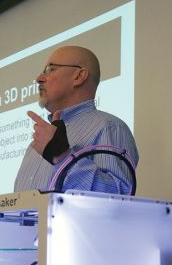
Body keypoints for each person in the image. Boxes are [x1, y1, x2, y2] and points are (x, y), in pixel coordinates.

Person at [14, 46, 139, 194]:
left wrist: (62, 157)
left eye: (50, 69)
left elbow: (119, 197)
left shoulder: (109, 127)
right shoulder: (35, 145)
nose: (39, 79)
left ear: (79, 76)